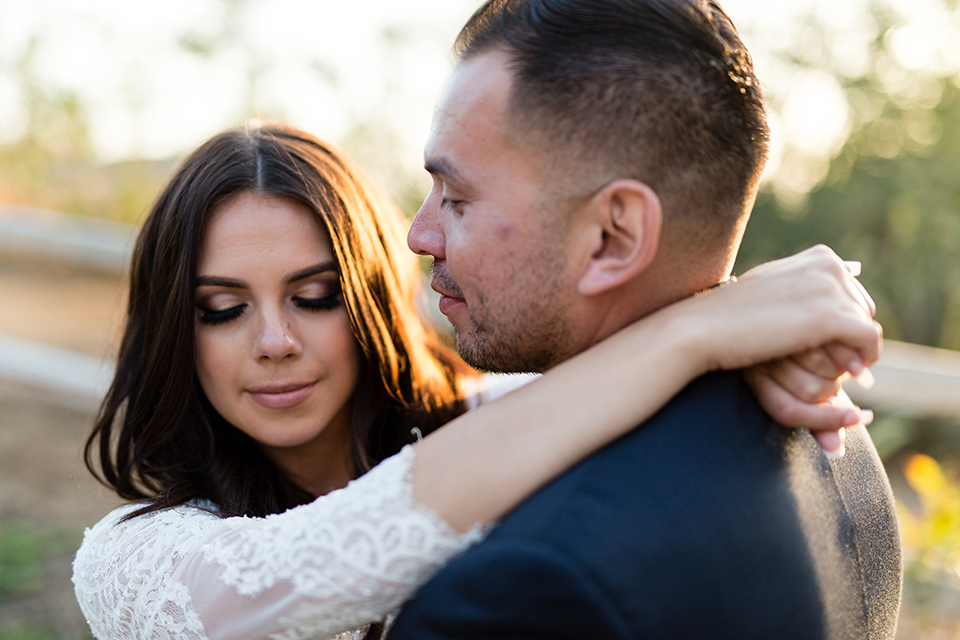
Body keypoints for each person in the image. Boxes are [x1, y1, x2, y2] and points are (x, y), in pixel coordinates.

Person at [72, 123, 880, 640]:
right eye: (223, 310)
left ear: (370, 301)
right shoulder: (136, 560)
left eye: (315, 298)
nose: (276, 342)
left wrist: (769, 319)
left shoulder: (499, 417)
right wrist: (703, 329)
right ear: (176, 331)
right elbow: (334, 553)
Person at [388, 1, 902, 638]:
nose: (419, 234)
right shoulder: (837, 443)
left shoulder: (529, 582)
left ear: (612, 235)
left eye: (457, 200)